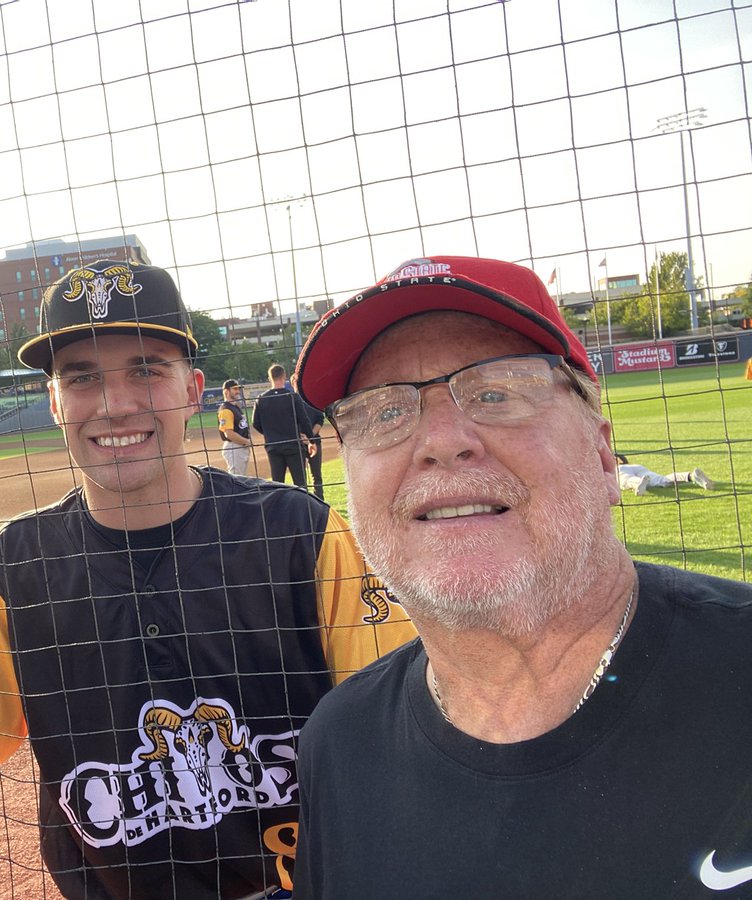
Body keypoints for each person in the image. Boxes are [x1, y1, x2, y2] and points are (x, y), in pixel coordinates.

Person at [0, 260, 414, 899]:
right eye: (82, 378)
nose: (116, 404)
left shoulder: (299, 534)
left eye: (146, 370)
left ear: (193, 390)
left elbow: (400, 734)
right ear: (54, 400)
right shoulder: (10, 571)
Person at [290, 255, 752, 897]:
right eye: (383, 412)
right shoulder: (339, 747)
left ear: (601, 452)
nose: (441, 441)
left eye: (495, 392)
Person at [252, 363, 315, 488]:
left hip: (273, 446)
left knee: (277, 484)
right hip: (293, 444)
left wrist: (270, 433)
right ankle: (302, 507)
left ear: (270, 378)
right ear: (284, 377)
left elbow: (255, 423)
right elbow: (304, 419)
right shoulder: (292, 396)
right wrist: (312, 440)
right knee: (300, 484)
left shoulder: (261, 399)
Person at [615, 453, 715, 495]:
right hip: (638, 467)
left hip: (618, 469)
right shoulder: (626, 462)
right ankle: (691, 476)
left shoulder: (613, 465)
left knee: (626, 480)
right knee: (661, 480)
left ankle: (637, 484)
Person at [216, 377, 252, 475]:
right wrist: (246, 441)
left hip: (239, 447)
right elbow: (229, 434)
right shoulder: (226, 410)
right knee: (236, 480)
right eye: (235, 389)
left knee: (241, 478)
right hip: (234, 447)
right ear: (226, 391)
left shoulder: (235, 407)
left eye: (238, 389)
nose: (238, 391)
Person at [302, 401, 325, 501]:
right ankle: (304, 500)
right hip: (298, 443)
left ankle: (319, 500)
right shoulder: (292, 401)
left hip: (315, 441)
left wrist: (309, 436)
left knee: (316, 474)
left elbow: (320, 420)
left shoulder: (312, 402)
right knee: (301, 477)